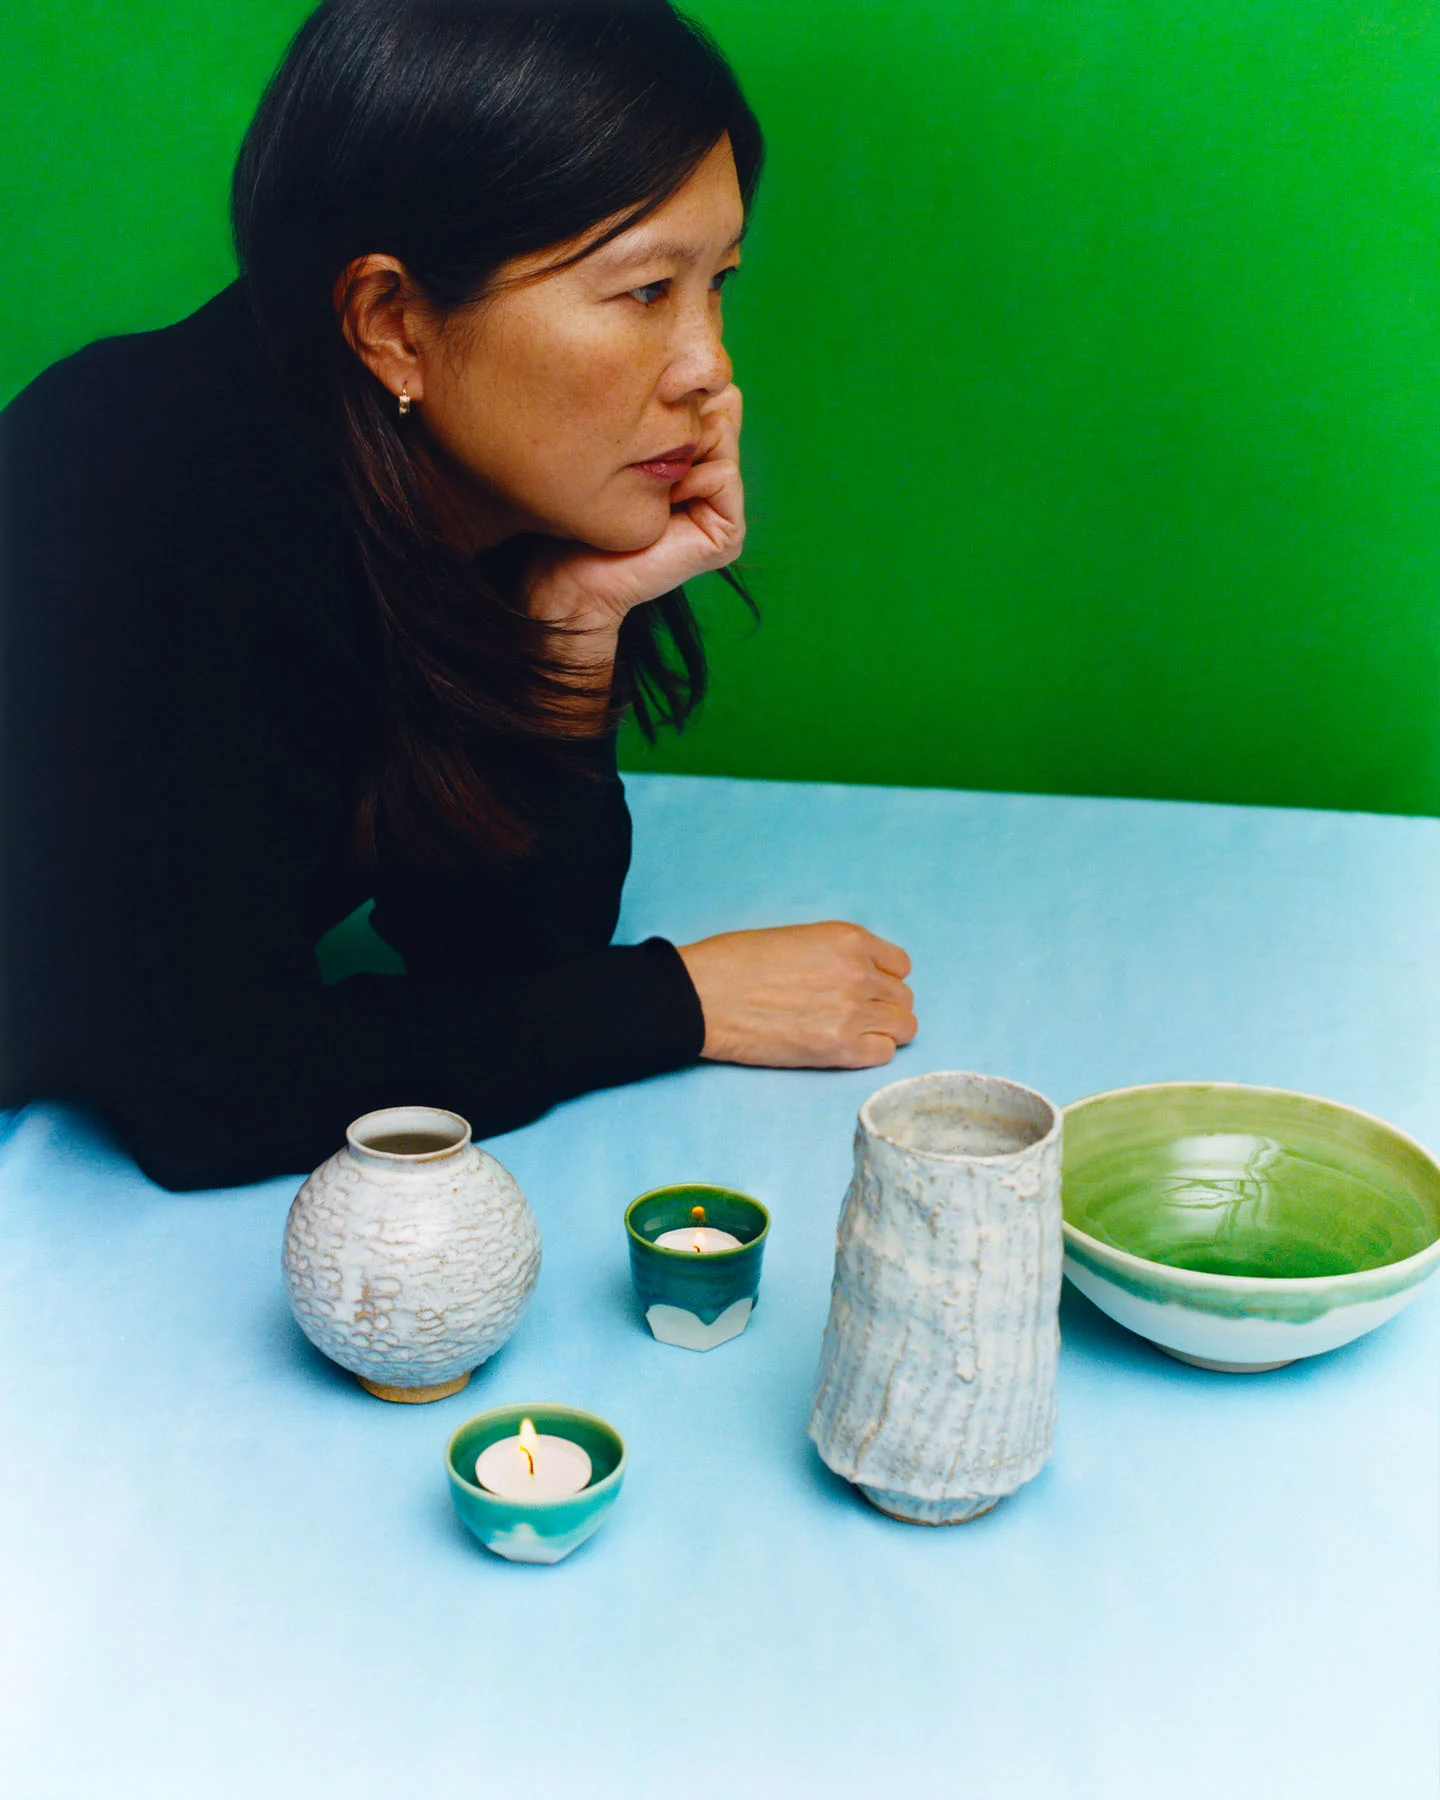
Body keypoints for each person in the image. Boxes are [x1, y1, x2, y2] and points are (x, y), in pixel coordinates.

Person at [0, 0, 917, 1191]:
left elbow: (497, 954)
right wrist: (679, 1002)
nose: (709, 369)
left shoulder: (475, 483)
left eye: (717, 283)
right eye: (645, 292)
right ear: (393, 323)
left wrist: (578, 626)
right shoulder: (161, 500)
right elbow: (208, 1091)